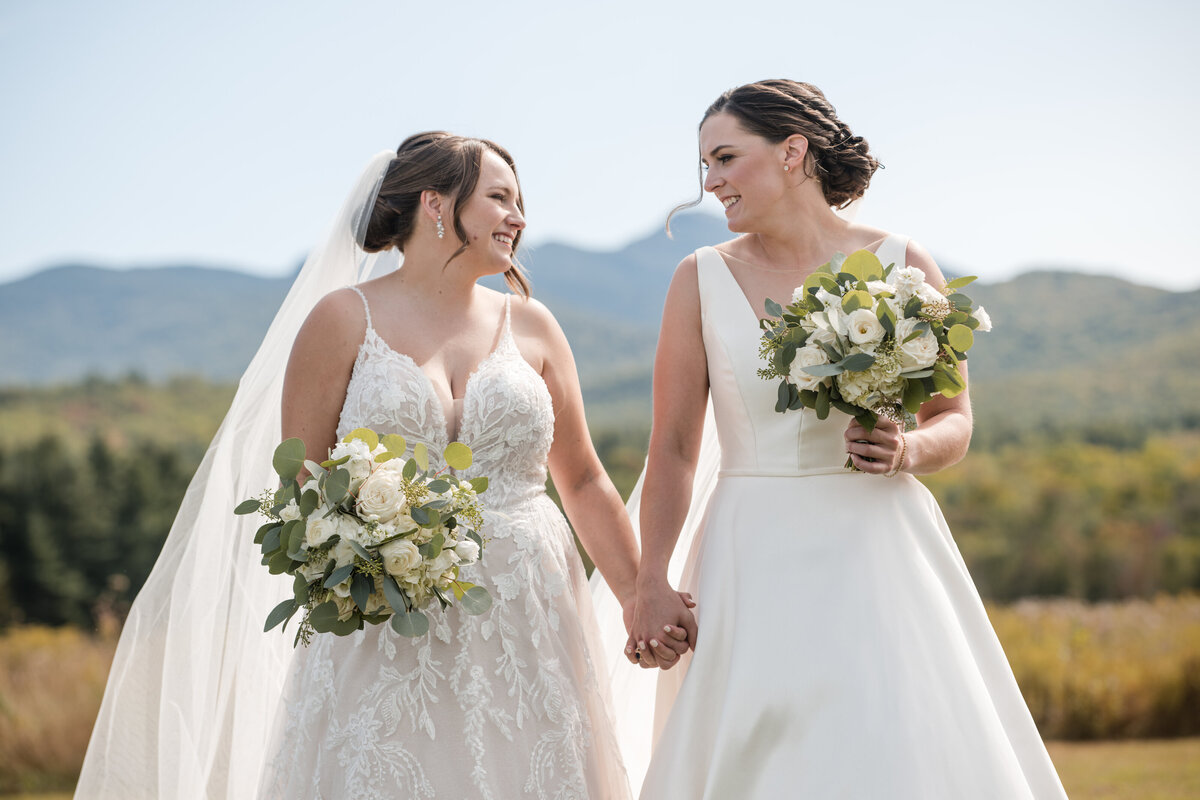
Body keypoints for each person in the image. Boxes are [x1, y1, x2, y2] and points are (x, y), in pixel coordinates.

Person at [77, 133, 692, 799]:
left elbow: (583, 479)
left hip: (528, 614)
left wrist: (638, 595)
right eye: (499, 198)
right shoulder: (343, 320)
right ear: (435, 203)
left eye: (520, 201)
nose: (518, 217)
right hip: (391, 619)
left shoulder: (535, 325)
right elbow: (303, 487)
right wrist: (372, 553)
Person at [619, 80, 1069, 798]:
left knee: (890, 741)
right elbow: (672, 446)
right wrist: (650, 581)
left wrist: (908, 451)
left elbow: (953, 419)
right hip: (749, 554)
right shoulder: (699, 278)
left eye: (726, 158)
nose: (711, 182)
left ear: (792, 152)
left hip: (878, 547)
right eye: (706, 165)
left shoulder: (902, 262)